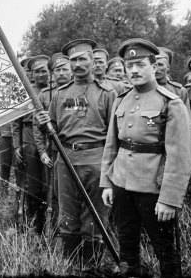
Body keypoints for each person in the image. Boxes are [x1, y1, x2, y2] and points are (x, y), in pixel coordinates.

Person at [100, 38, 191, 278]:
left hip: (153, 189)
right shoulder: (122, 99)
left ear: (153, 65)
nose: (133, 70)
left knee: (165, 251)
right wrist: (107, 182)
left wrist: (170, 199)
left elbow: (179, 156)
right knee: (127, 246)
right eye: (129, 65)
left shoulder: (171, 103)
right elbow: (112, 145)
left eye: (140, 64)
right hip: (121, 184)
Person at [35, 39, 116, 266]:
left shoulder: (107, 93)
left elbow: (114, 133)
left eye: (82, 59)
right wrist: (44, 122)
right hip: (66, 159)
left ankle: (91, 265)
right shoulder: (60, 94)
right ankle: (71, 264)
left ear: (92, 60)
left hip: (97, 160)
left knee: (95, 216)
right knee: (68, 214)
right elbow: (51, 126)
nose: (78, 64)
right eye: (73, 60)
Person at [34, 52, 73, 235]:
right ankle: (58, 231)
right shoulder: (45, 95)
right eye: (57, 70)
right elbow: (38, 127)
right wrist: (42, 152)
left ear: (71, 71)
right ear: (52, 74)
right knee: (55, 193)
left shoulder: (79, 92)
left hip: (74, 151)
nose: (61, 73)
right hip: (54, 151)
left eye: (65, 69)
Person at [13, 55, 51, 235]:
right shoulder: (25, 93)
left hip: (50, 140)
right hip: (29, 140)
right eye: (37, 72)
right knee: (33, 185)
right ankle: (35, 223)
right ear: (32, 74)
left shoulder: (55, 91)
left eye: (44, 70)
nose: (41, 75)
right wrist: (16, 145)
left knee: (49, 184)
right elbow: (16, 123)